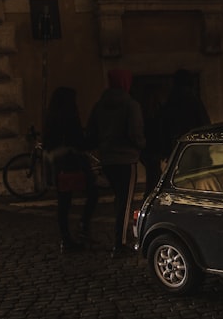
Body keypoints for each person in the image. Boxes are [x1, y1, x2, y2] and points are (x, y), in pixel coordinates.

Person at [86, 69, 146, 257]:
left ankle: (119, 238)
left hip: (107, 159)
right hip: (126, 159)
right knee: (125, 202)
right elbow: (135, 132)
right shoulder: (131, 105)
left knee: (119, 202)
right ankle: (120, 244)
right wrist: (142, 145)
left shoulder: (99, 105)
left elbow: (91, 132)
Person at [43, 86, 98, 253]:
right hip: (74, 162)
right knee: (93, 193)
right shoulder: (70, 118)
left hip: (59, 165)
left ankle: (66, 238)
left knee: (64, 203)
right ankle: (82, 226)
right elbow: (79, 142)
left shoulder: (50, 118)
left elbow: (47, 144)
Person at [159, 69, 209, 160]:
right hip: (194, 146)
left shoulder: (171, 101)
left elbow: (165, 126)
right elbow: (204, 123)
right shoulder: (193, 100)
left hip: (178, 146)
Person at [139, 83, 165, 194]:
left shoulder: (142, 112)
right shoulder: (158, 113)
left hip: (147, 150)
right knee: (154, 179)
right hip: (153, 150)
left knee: (153, 178)